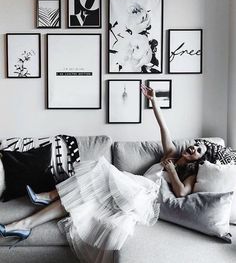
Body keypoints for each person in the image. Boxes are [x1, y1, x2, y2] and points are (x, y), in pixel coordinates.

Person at [1, 84, 235, 261]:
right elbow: (163, 127)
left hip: (144, 196)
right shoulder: (171, 152)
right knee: (77, 199)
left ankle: (48, 196)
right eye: (195, 144)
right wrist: (153, 102)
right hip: (130, 187)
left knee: (97, 167)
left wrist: (173, 171)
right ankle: (23, 225)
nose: (194, 148)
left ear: (199, 157)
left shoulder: (189, 173)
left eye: (199, 150)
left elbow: (182, 193)